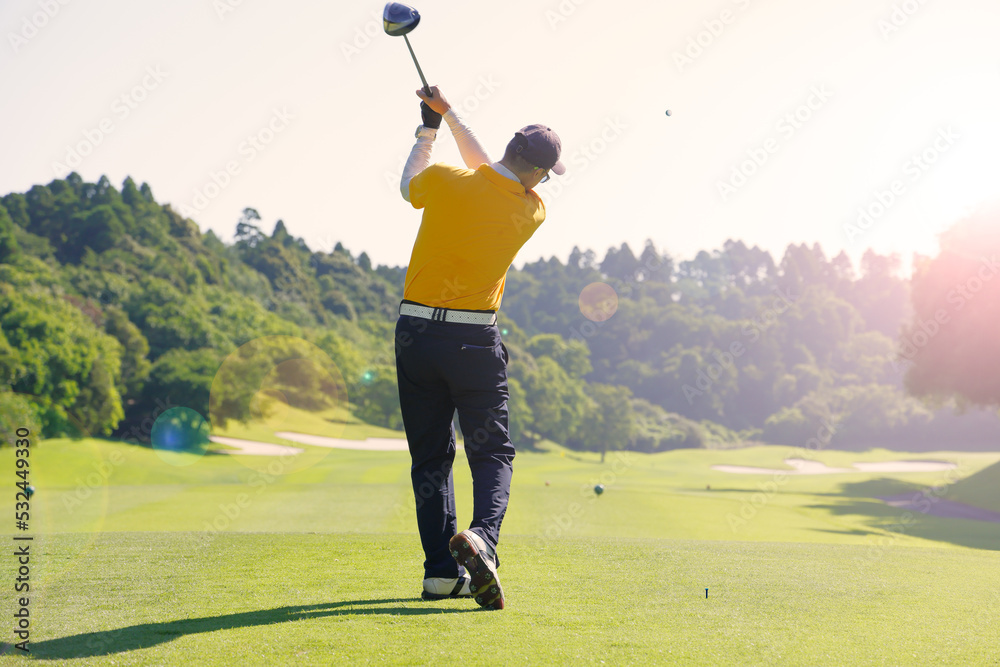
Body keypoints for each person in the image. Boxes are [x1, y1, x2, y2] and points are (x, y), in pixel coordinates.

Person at [395, 85, 564, 610]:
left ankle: (440, 575)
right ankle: (483, 539)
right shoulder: (531, 210)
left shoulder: (447, 181)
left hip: (415, 333)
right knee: (491, 450)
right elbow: (492, 173)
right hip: (473, 339)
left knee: (431, 459)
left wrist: (431, 127)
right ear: (537, 172)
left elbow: (412, 185)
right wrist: (450, 116)